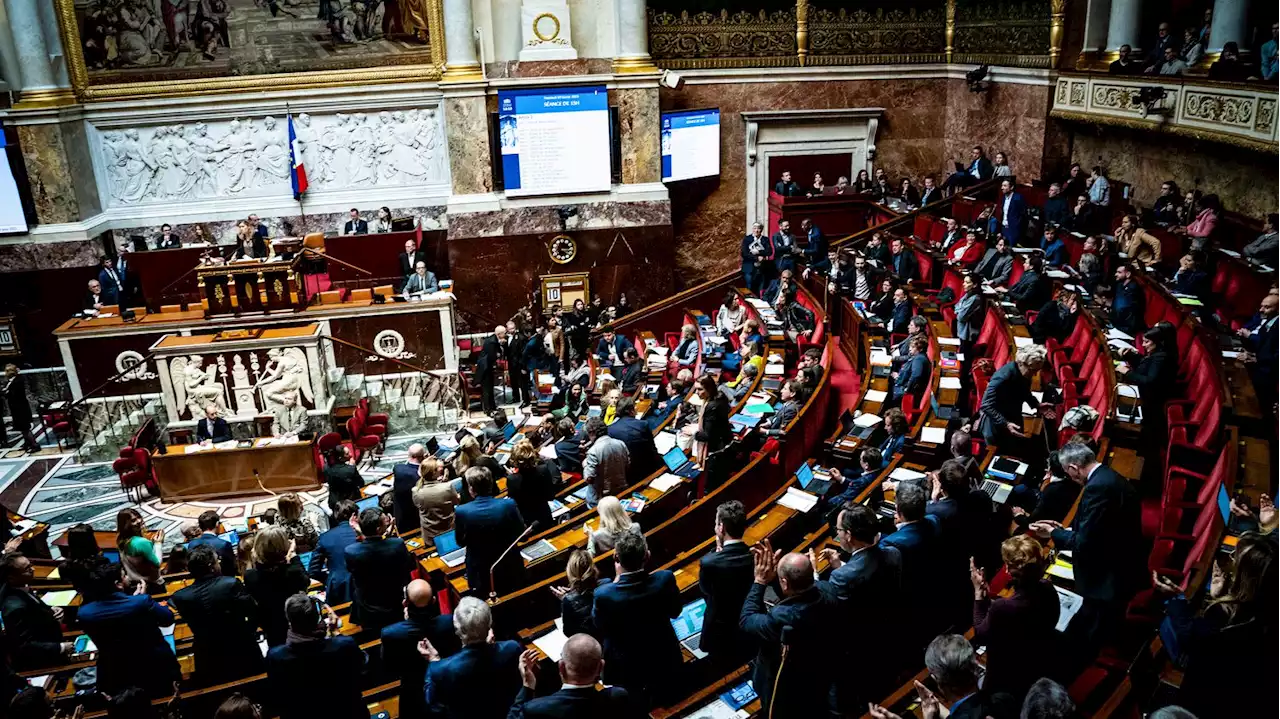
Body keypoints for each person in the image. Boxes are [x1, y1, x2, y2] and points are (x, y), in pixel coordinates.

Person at [1029, 443, 1145, 660]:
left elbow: (1085, 543)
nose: (1070, 477)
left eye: (1068, 473)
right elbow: (1099, 524)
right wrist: (1063, 529)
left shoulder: (1096, 488)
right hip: (1121, 556)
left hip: (1108, 574)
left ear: (1074, 467)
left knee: (1092, 631)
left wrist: (1052, 534)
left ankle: (1087, 659)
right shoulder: (1107, 476)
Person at [815, 504, 902, 710]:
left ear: (849, 535)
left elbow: (828, 609)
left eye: (838, 531)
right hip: (888, 636)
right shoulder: (893, 554)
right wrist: (840, 566)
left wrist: (815, 577)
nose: (837, 535)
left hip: (856, 651)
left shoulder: (843, 577)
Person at [740, 541, 835, 718]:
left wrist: (760, 581)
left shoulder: (781, 617)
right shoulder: (827, 590)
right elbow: (796, 591)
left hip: (787, 692)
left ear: (784, 583)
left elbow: (747, 620)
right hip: (821, 674)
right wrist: (780, 576)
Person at [593, 530, 683, 706]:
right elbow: (675, 611)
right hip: (664, 656)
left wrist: (616, 580)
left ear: (616, 558)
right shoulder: (664, 579)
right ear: (647, 555)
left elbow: (600, 627)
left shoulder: (603, 594)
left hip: (626, 668)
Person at [970, 536, 1060, 697]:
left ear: (1009, 570)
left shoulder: (1003, 607)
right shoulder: (1047, 588)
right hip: (1038, 660)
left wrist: (978, 594)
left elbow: (980, 634)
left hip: (1008, 674)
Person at [77, 561, 180, 697]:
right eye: (124, 576)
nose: (127, 578)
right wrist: (138, 600)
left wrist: (132, 600)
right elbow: (167, 619)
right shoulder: (142, 602)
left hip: (116, 669)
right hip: (153, 665)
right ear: (118, 584)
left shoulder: (84, 614)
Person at [170, 544, 264, 686]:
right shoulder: (231, 584)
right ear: (211, 566)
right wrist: (246, 632)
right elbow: (253, 612)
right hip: (241, 647)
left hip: (207, 653)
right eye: (217, 560)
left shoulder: (180, 597)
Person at [265, 593, 369, 719]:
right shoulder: (343, 645)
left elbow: (276, 695)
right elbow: (363, 669)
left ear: (290, 622)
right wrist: (336, 632)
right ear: (318, 620)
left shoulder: (276, 657)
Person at [420, 596, 522, 719]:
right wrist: (490, 647)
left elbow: (433, 707)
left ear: (457, 630)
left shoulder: (438, 669)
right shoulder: (512, 648)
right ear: (489, 624)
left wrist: (435, 660)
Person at [382, 579, 459, 719]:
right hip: (446, 687)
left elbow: (390, 667)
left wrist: (407, 624)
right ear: (434, 600)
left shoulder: (391, 634)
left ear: (405, 604)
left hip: (412, 692)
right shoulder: (451, 622)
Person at [509, 633, 635, 719]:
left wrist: (527, 686)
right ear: (601, 667)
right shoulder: (617, 697)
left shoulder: (535, 709)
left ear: (561, 667)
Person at [455, 467, 526, 596]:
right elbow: (522, 535)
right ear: (491, 484)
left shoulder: (462, 511)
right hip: (509, 564)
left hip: (480, 569)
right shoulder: (508, 504)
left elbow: (460, 542)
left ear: (471, 488)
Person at [345, 506, 414, 632]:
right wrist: (389, 535)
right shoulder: (397, 544)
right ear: (379, 529)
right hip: (395, 605)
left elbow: (372, 546)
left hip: (368, 610)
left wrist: (361, 533)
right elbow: (408, 566)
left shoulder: (351, 552)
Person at [0, 552, 72, 670]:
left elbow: (33, 608)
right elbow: (24, 646)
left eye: (30, 565)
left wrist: (50, 610)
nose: (33, 569)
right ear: (11, 577)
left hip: (51, 639)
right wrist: (60, 647)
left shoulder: (19, 586)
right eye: (27, 569)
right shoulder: (14, 608)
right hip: (42, 661)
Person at [244, 526, 309, 647]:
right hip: (296, 624)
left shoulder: (250, 576)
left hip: (271, 626)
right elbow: (305, 582)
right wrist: (293, 555)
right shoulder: (292, 571)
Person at [977, 344, 1049, 452]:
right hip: (996, 429)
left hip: (1013, 420)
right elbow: (986, 405)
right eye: (1033, 370)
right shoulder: (1002, 378)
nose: (1035, 375)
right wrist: (1006, 423)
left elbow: (1023, 390)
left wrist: (1035, 404)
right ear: (1021, 363)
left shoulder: (1025, 373)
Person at [307, 500, 359, 606]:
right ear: (355, 515)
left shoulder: (325, 537)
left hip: (337, 589)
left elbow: (313, 571)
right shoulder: (363, 532)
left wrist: (330, 578)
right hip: (364, 584)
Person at [508, 437, 558, 532]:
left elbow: (515, 503)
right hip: (544, 515)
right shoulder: (543, 469)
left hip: (527, 519)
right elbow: (551, 496)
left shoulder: (512, 479)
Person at [694, 374, 733, 491]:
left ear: (709, 389)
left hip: (715, 450)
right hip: (724, 441)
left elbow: (707, 436)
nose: (697, 392)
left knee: (711, 485)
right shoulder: (720, 397)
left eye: (700, 389)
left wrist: (693, 432)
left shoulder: (711, 406)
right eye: (696, 389)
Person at [553, 549, 600, 638]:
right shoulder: (605, 584)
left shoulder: (568, 601)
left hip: (589, 641)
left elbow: (568, 632)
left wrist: (566, 599)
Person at [582, 417, 629, 508]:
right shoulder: (620, 443)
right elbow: (627, 465)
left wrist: (585, 465)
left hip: (602, 499)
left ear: (592, 433)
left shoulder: (593, 452)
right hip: (622, 491)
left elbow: (589, 479)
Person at [413, 457, 459, 544]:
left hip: (429, 534)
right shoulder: (447, 487)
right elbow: (456, 501)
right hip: (449, 531)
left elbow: (419, 505)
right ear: (434, 473)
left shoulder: (415, 491)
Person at [116, 507, 163, 591]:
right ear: (125, 525)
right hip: (151, 585)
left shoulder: (121, 539)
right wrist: (158, 543)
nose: (139, 521)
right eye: (133, 520)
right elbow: (157, 563)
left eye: (138, 517)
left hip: (134, 584)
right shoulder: (142, 542)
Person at [1, 366, 40, 453]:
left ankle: (35, 445)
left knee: (25, 428)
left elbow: (14, 394)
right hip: (16, 408)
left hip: (20, 409)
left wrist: (6, 392)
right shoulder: (11, 381)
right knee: (22, 428)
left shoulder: (18, 381)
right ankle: (27, 443)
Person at [187, 510, 237, 577]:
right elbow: (231, 569)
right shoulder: (224, 544)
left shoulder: (191, 544)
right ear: (217, 524)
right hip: (222, 582)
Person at [391, 443, 426, 533]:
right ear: (423, 455)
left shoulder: (398, 468)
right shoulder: (420, 477)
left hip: (400, 515)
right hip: (416, 517)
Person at [1110, 261, 1147, 337]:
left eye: (1119, 272)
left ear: (1128, 274)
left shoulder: (1133, 288)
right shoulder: (1120, 285)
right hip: (1116, 322)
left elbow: (1123, 308)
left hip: (1127, 327)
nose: (1115, 274)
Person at [323, 445, 362, 512]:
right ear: (340, 458)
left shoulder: (326, 467)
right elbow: (361, 483)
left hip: (334, 500)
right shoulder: (350, 470)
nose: (351, 454)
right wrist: (352, 466)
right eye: (347, 454)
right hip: (349, 503)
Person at [475, 325, 504, 414]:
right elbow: (492, 356)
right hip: (485, 368)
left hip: (488, 367)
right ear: (499, 334)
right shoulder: (491, 342)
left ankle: (493, 407)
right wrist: (497, 355)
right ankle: (488, 410)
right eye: (504, 333)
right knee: (487, 390)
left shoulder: (494, 339)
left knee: (490, 388)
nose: (505, 335)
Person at [740, 222, 774, 295]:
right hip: (749, 267)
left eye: (758, 228)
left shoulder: (765, 239)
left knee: (761, 287)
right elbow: (744, 253)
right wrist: (757, 257)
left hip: (762, 268)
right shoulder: (747, 239)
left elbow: (769, 251)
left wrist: (759, 251)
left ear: (761, 230)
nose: (756, 230)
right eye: (754, 228)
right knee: (749, 286)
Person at [997, 179, 1027, 245]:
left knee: (1011, 250)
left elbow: (1023, 215)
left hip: (1014, 229)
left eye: (1005, 186)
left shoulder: (1018, 198)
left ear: (1011, 187)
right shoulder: (1003, 198)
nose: (1002, 188)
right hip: (1004, 228)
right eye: (1002, 186)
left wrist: (1017, 227)